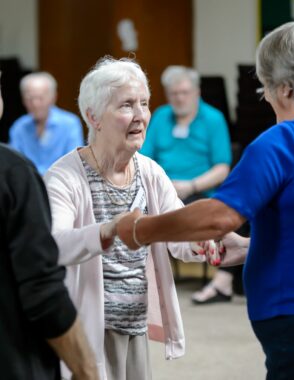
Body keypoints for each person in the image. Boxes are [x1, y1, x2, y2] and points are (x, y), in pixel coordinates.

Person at [117, 21, 294, 379]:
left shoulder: (283, 141)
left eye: (265, 88)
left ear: (285, 88)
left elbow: (218, 217)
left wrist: (141, 228)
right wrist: (251, 246)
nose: (267, 97)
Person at [43, 57, 214, 380]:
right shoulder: (64, 176)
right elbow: (55, 244)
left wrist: (204, 240)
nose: (140, 116)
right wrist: (106, 230)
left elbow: (178, 230)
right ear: (93, 117)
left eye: (145, 104)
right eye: (126, 105)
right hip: (89, 328)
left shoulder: (149, 171)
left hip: (134, 323)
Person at [0, 72, 98, 379]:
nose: (34, 102)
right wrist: (86, 370)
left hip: (56, 191)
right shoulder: (13, 169)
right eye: (28, 96)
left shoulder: (67, 124)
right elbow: (42, 290)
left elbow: (69, 167)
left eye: (39, 96)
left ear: (52, 98)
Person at [140, 65, 235, 303]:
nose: (179, 98)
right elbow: (143, 157)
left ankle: (223, 284)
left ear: (197, 92)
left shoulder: (213, 119)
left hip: (199, 191)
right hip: (161, 189)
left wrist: (191, 185)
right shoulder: (161, 116)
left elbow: (222, 168)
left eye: (184, 92)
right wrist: (160, 183)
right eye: (174, 94)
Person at [9, 71, 84, 175]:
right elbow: (13, 165)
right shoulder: (19, 127)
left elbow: (75, 164)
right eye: (30, 98)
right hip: (28, 186)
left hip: (60, 185)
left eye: (41, 98)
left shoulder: (70, 123)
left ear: (53, 98)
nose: (35, 104)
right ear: (23, 100)